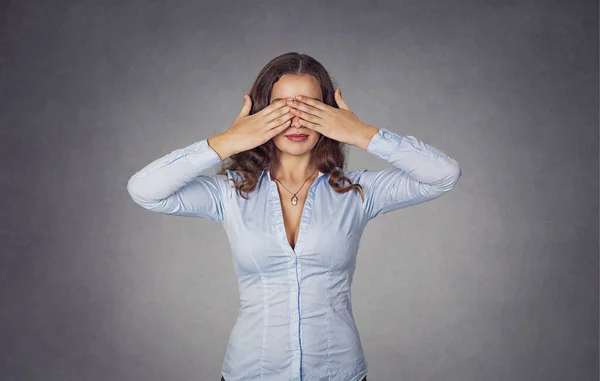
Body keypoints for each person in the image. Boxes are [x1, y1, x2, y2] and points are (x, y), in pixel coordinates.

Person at [127, 52, 462, 381]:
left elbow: (443, 174)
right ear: (260, 114)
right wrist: (228, 141)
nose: (297, 121)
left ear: (329, 113)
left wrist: (360, 133)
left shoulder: (358, 191)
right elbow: (145, 190)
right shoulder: (229, 192)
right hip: (250, 371)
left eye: (310, 108)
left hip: (338, 372)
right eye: (282, 109)